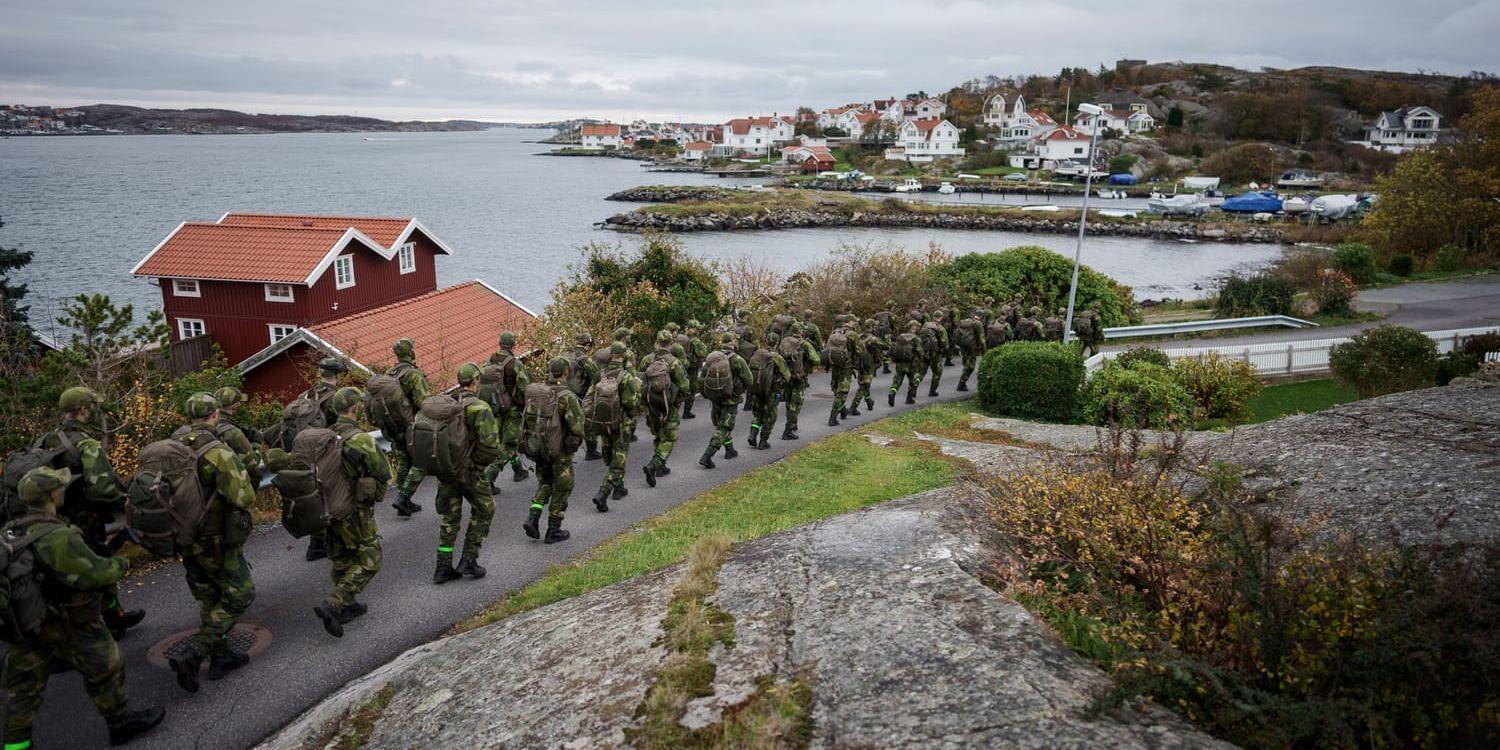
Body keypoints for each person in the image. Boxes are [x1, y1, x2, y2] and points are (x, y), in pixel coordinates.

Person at [1, 467, 165, 747]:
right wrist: (120, 564)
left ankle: (16, 745)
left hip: (27, 620)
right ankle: (121, 723)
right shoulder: (59, 536)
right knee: (107, 666)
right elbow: (93, 574)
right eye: (60, 487)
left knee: (23, 689)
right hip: (65, 620)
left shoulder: (12, 530)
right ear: (52, 495)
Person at [36, 387, 145, 639]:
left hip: (49, 518)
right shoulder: (87, 443)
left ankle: (113, 616)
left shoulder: (45, 440)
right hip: (83, 519)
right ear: (84, 409)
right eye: (93, 406)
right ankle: (92, 629)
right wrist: (123, 501)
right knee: (94, 568)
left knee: (61, 574)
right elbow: (102, 489)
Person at [168, 393, 258, 695]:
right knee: (240, 593)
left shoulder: (172, 446)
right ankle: (195, 652)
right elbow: (243, 496)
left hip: (184, 536)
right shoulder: (216, 451)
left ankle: (221, 657)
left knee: (209, 597)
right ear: (215, 415)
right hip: (215, 537)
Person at [310, 387, 389, 638]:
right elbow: (383, 471)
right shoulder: (360, 439)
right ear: (355, 408)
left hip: (327, 506)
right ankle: (334, 603)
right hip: (355, 509)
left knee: (342, 556)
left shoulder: (325, 437)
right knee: (371, 560)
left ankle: (348, 605)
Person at [434, 364, 503, 585]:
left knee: (450, 518)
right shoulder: (480, 407)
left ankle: (442, 567)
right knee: (485, 509)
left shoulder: (447, 405)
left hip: (446, 470)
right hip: (469, 471)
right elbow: (491, 443)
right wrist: (478, 465)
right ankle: (469, 559)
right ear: (474, 382)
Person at [521, 358, 584, 544]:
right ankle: (553, 529)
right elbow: (578, 426)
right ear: (566, 372)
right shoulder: (566, 396)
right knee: (564, 486)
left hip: (538, 448)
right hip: (559, 451)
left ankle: (533, 516)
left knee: (545, 482)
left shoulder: (538, 392)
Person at [296, 357, 345, 562]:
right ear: (337, 375)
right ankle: (324, 542)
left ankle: (317, 543)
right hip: (325, 449)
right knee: (332, 493)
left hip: (305, 448)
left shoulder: (306, 394)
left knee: (317, 492)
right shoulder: (335, 397)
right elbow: (341, 423)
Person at [585, 342, 641, 512]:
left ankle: (619, 487)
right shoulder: (626, 377)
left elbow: (588, 398)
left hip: (603, 423)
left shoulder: (599, 375)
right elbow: (631, 403)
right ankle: (603, 492)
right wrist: (632, 414)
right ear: (623, 356)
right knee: (619, 459)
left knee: (609, 455)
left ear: (611, 356)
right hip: (621, 424)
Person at [385, 339, 429, 515]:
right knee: (421, 463)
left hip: (392, 426)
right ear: (410, 352)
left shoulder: (389, 374)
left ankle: (404, 502)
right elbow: (423, 402)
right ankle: (403, 497)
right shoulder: (413, 375)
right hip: (410, 427)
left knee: (404, 462)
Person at [640, 331, 689, 487]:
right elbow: (684, 386)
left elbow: (639, 382)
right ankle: (654, 465)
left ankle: (661, 466)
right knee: (669, 437)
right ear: (671, 342)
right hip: (669, 406)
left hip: (651, 406)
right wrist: (677, 400)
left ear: (657, 341)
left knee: (658, 434)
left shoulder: (647, 360)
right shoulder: (674, 362)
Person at [483, 332, 531, 488]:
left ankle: (518, 469)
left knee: (504, 440)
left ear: (500, 343)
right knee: (509, 444)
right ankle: (488, 479)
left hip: (494, 407)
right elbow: (524, 387)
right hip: (511, 409)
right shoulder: (515, 363)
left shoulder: (489, 360)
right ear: (513, 345)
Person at [699, 332, 752, 469]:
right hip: (730, 398)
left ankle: (729, 450)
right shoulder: (737, 359)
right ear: (733, 342)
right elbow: (749, 379)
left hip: (715, 397)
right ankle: (707, 456)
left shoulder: (713, 357)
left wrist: (707, 393)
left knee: (720, 424)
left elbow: (702, 376)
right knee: (724, 427)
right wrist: (741, 388)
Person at [745, 331, 791, 450]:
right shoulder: (776, 357)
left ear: (766, 341)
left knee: (757, 414)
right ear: (777, 342)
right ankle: (763, 441)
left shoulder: (757, 354)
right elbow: (787, 375)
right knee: (770, 417)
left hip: (756, 391)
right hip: (771, 392)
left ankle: (753, 433)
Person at [212, 387, 266, 486]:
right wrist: (256, 443)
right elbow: (252, 463)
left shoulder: (211, 425)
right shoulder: (231, 431)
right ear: (234, 405)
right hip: (235, 486)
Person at [776, 323, 820, 441]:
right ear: (801, 332)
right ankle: (788, 430)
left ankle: (793, 424)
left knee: (789, 401)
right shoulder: (805, 344)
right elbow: (816, 360)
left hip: (786, 377)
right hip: (799, 378)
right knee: (796, 403)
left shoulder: (784, 342)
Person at [564, 332, 601, 461]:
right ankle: (591, 451)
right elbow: (597, 376)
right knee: (588, 423)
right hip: (580, 396)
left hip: (563, 394)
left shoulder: (565, 355)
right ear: (588, 344)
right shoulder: (583, 358)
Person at [825, 322, 858, 426]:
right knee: (842, 392)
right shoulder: (852, 335)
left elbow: (828, 349)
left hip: (835, 365)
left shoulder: (834, 333)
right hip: (846, 366)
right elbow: (860, 350)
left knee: (836, 388)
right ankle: (832, 418)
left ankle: (843, 411)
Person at [676, 320, 708, 421]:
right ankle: (686, 412)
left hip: (678, 368)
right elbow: (702, 353)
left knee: (678, 388)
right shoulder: (695, 340)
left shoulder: (679, 338)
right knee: (691, 389)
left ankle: (673, 412)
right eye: (697, 328)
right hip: (691, 369)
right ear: (692, 328)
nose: (698, 330)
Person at [854, 318, 886, 414]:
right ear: (872, 327)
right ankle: (853, 407)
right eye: (874, 326)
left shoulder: (859, 336)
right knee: (864, 386)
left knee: (864, 384)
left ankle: (869, 401)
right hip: (869, 364)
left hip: (860, 363)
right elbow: (886, 346)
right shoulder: (873, 338)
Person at [889, 321, 925, 406]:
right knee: (912, 381)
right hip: (911, 365)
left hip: (900, 364)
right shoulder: (916, 338)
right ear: (915, 329)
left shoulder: (900, 337)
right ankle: (909, 398)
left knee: (897, 381)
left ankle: (892, 392)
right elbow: (920, 352)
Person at [954, 310, 986, 392]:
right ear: (981, 317)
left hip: (963, 346)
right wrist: (984, 351)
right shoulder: (978, 324)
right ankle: (961, 384)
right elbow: (982, 339)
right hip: (972, 347)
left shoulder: (964, 322)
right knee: (971, 366)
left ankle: (963, 383)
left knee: (966, 364)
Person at [920, 311, 948, 397]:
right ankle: (932, 391)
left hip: (925, 352)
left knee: (921, 372)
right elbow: (944, 343)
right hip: (936, 354)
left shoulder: (925, 325)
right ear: (941, 317)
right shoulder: (941, 328)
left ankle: (912, 389)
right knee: (937, 373)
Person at [874, 300, 897, 374]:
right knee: (886, 350)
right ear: (892, 307)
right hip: (886, 334)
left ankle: (874, 369)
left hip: (877, 333)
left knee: (877, 349)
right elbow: (893, 326)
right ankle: (886, 368)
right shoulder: (891, 315)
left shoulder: (878, 314)